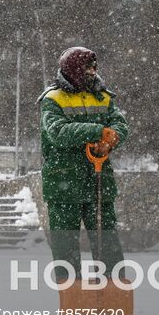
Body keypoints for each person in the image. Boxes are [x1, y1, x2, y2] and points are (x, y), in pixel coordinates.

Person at [39, 46, 129, 278]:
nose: (92, 72)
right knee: (65, 247)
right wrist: (99, 131)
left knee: (107, 243)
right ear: (74, 70)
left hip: (99, 181)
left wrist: (110, 141)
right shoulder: (53, 99)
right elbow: (58, 132)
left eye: (93, 67)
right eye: (87, 68)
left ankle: (113, 292)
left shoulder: (103, 96)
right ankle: (72, 299)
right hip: (63, 183)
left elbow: (120, 125)